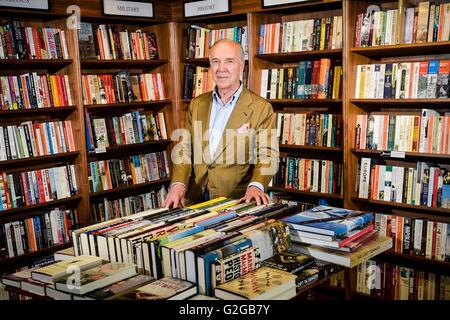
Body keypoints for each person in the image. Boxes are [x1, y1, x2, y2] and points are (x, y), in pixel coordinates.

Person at [164, 39, 279, 208]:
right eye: (215, 62)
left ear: (241, 66)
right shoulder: (197, 104)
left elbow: (267, 155)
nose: (221, 68)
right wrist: (178, 185)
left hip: (236, 201)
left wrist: (256, 186)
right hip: (195, 199)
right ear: (210, 66)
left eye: (229, 61)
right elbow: (184, 150)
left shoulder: (261, 108)